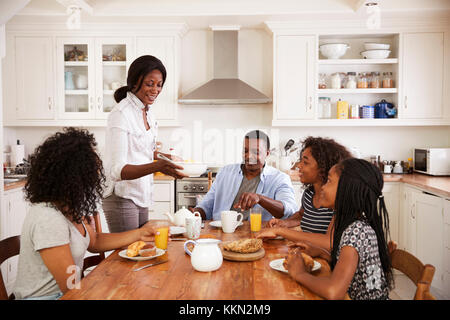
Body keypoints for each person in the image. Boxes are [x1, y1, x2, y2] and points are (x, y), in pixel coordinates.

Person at [14, 128, 159, 300]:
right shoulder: (48, 218)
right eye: (91, 171)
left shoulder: (69, 206)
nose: (96, 176)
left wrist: (139, 234)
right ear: (73, 176)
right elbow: (71, 288)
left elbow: (94, 241)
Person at [285, 158, 394, 300]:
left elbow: (333, 292)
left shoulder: (356, 231)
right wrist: (322, 252)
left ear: (347, 189)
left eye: (329, 181)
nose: (323, 187)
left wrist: (300, 274)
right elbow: (354, 267)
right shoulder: (355, 223)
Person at [103, 55, 187, 233]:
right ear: (135, 82)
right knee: (127, 256)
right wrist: (158, 165)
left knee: (141, 251)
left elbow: (141, 150)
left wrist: (166, 157)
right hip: (122, 195)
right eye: (150, 84)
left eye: (159, 84)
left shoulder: (148, 113)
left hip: (140, 193)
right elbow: (117, 170)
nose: (155, 89)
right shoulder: (121, 114)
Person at [257, 136, 351, 250]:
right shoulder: (309, 194)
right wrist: (284, 223)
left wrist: (280, 231)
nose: (298, 166)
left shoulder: (336, 200)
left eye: (305, 162)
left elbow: (329, 242)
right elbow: (302, 215)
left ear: (323, 167)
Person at [191, 130, 298, 221]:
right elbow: (206, 206)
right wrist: (194, 214)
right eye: (245, 151)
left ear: (267, 153)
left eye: (256, 152)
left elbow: (289, 210)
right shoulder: (225, 172)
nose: (249, 156)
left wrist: (260, 199)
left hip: (257, 235)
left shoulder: (279, 179)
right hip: (222, 233)